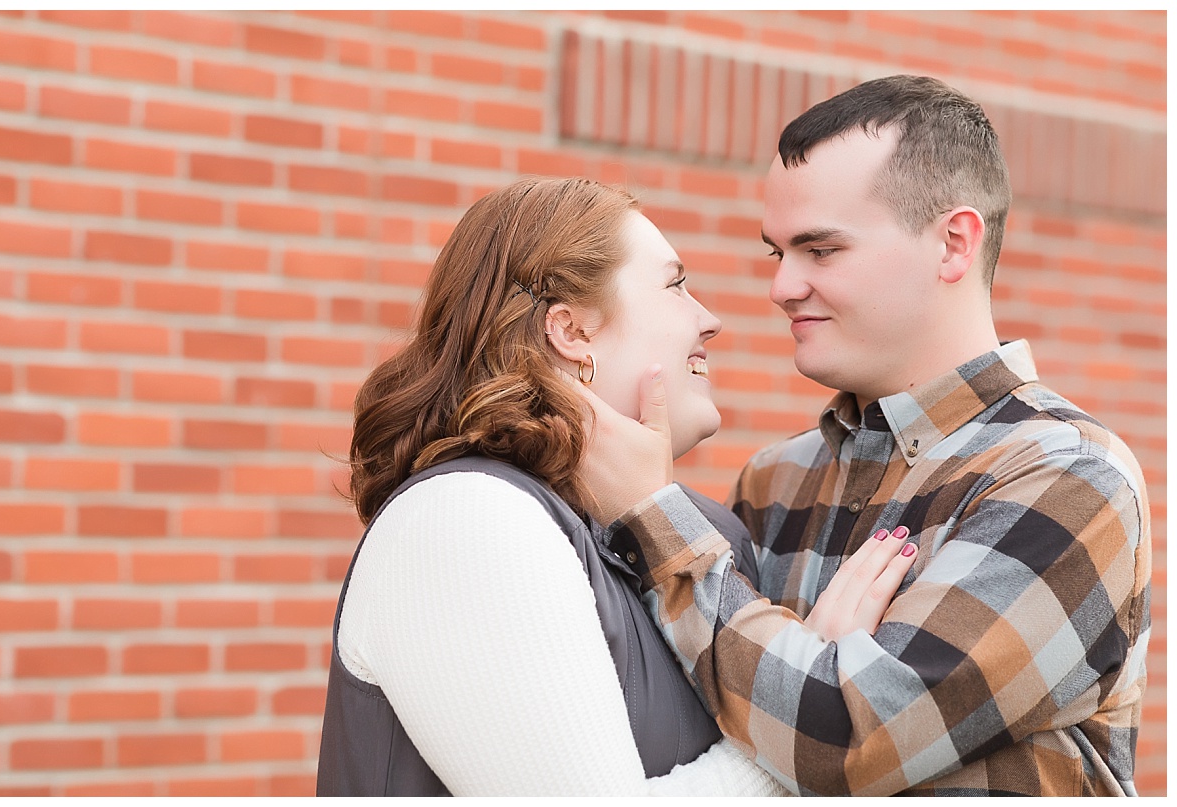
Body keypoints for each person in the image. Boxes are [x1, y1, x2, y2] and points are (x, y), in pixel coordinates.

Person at [576, 75, 1151, 796]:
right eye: (776, 253)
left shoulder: (1067, 477)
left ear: (953, 243)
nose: (782, 286)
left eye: (820, 250)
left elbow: (845, 738)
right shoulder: (772, 480)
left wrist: (655, 515)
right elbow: (715, 736)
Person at [314, 176, 915, 796]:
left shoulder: (700, 531)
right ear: (571, 332)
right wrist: (800, 714)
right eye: (676, 285)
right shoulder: (463, 519)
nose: (710, 320)